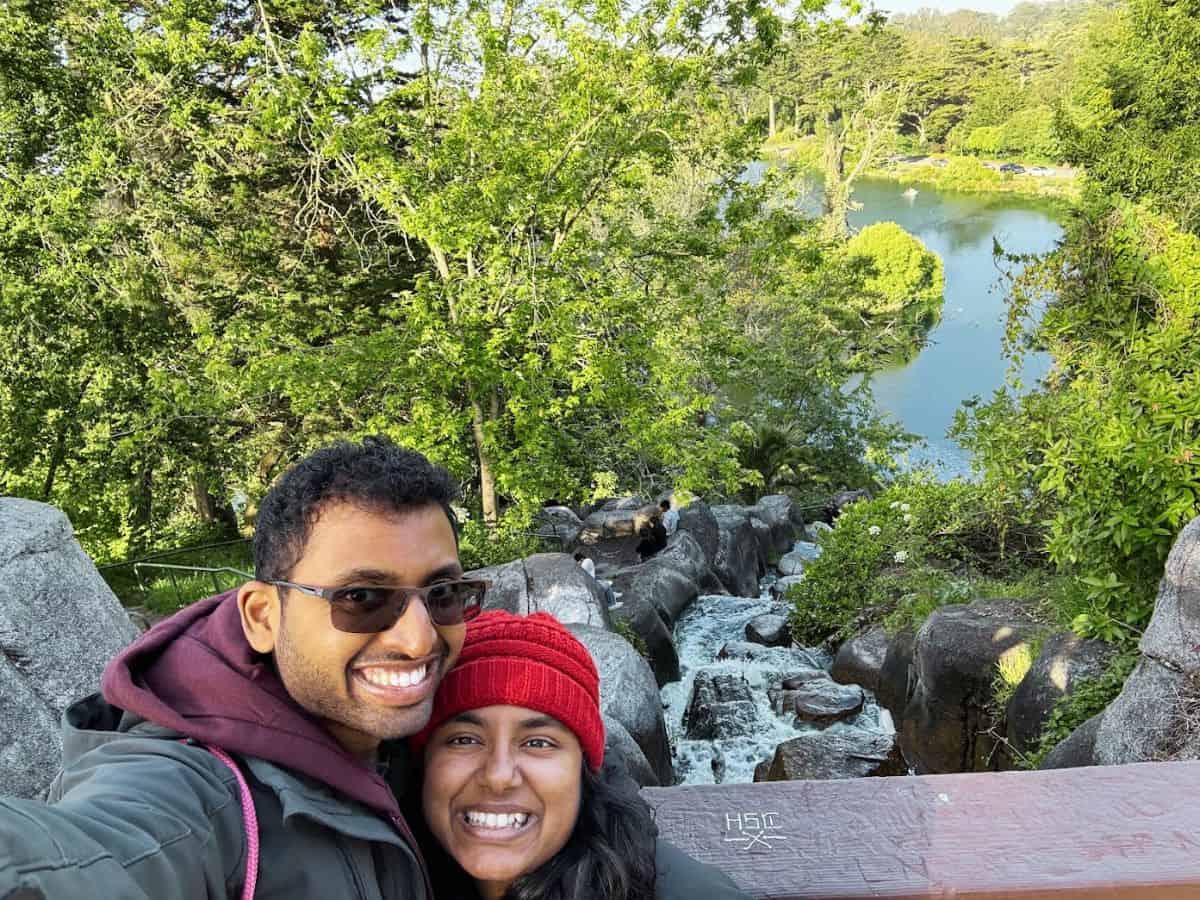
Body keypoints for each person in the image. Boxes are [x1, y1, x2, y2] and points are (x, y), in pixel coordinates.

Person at [0, 436, 485, 899]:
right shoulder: (196, 789)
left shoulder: (420, 724)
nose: (419, 638)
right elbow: (87, 858)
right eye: (361, 599)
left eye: (441, 594)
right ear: (262, 616)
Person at [411, 610, 750, 900]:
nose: (498, 776)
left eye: (538, 743)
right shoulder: (383, 874)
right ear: (423, 763)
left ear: (585, 771)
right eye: (465, 739)